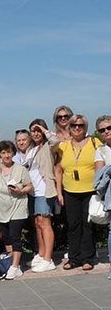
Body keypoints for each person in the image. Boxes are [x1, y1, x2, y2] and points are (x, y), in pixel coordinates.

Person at [56, 114, 101, 271]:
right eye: (74, 125)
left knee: (88, 225)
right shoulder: (64, 146)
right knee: (73, 225)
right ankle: (74, 258)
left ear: (85, 128)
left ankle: (88, 258)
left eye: (80, 125)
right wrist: (59, 193)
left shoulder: (95, 143)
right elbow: (58, 170)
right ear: (69, 128)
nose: (77, 128)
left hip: (90, 190)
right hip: (70, 191)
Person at [0, 141, 33, 280]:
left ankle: (14, 265)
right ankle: (12, 264)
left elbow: (29, 186)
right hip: (1, 209)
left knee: (15, 236)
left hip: (18, 206)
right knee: (6, 237)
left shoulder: (21, 169)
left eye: (9, 152)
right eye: (3, 152)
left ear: (13, 153)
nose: (7, 155)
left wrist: (21, 190)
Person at [26, 119, 59, 273]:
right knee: (37, 224)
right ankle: (41, 253)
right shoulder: (31, 150)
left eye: (38, 130)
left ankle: (48, 259)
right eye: (33, 130)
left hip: (44, 190)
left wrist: (43, 130)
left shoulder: (48, 146)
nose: (36, 133)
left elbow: (55, 139)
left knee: (45, 223)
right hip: (32, 192)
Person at [94, 115, 111, 279]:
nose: (106, 131)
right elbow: (98, 177)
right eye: (102, 130)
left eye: (109, 128)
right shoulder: (100, 151)